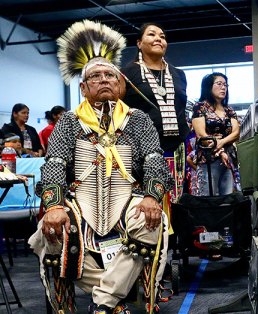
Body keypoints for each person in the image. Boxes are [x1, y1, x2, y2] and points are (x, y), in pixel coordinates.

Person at [27, 20, 173, 313]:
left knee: (151, 222)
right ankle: (116, 300)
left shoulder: (138, 119)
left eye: (110, 75)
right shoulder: (68, 121)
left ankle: (103, 303)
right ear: (83, 87)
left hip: (128, 198)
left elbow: (155, 161)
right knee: (50, 232)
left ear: (120, 84)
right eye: (96, 77)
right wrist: (55, 205)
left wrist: (151, 197)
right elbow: (54, 163)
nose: (104, 80)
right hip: (80, 201)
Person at [121, 23, 189, 232]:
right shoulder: (126, 74)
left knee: (176, 205)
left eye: (162, 35)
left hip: (175, 149)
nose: (159, 38)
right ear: (139, 43)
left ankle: (172, 252)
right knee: (146, 204)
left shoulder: (178, 74)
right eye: (151, 35)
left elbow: (181, 110)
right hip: (140, 152)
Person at [190, 73, 241, 196]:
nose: (223, 87)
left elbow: (236, 133)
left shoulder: (229, 110)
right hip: (208, 159)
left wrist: (222, 142)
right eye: (219, 84)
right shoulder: (200, 107)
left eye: (225, 85)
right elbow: (202, 135)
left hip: (227, 160)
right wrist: (221, 151)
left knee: (227, 198)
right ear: (209, 86)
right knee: (207, 197)